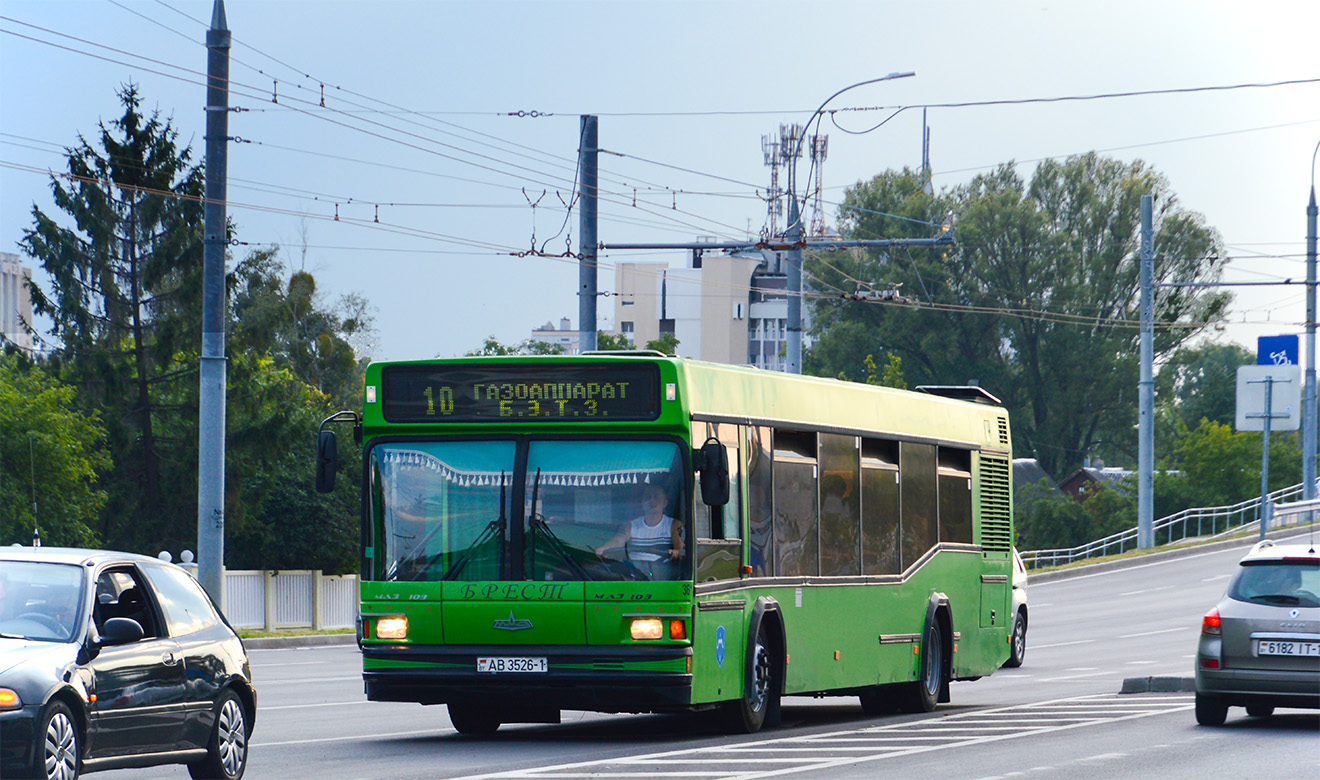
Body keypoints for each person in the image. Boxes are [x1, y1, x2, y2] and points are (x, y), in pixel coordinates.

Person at [596, 484, 684, 580]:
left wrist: (676, 552)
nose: (652, 501)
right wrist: (605, 548)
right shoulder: (630, 526)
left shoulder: (674, 525)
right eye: (647, 497)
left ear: (665, 502)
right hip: (634, 576)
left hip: (662, 579)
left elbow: (681, 550)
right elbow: (618, 540)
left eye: (656, 497)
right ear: (642, 502)